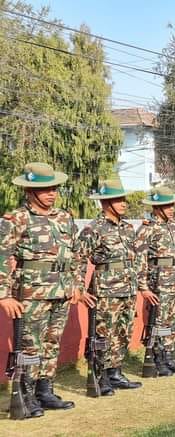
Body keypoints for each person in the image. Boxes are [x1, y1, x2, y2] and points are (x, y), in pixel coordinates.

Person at [0, 162, 85, 416]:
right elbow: (1, 255)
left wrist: (76, 284)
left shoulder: (64, 218)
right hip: (31, 293)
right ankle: (25, 395)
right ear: (30, 191)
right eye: (45, 189)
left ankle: (44, 391)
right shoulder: (15, 219)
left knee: (52, 343)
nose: (52, 193)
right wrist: (3, 294)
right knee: (30, 346)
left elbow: (76, 255)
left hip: (60, 291)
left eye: (54, 188)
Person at [75, 179, 142, 394]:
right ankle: (99, 375)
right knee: (104, 333)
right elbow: (79, 258)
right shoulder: (93, 229)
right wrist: (80, 288)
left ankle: (115, 371)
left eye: (123, 198)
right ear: (105, 203)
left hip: (128, 288)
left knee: (123, 331)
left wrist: (138, 285)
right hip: (106, 289)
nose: (123, 203)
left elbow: (135, 258)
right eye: (117, 199)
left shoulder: (128, 228)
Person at [135, 186, 175, 375]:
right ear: (156, 208)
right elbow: (139, 259)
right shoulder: (147, 229)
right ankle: (156, 357)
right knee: (159, 320)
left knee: (173, 319)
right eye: (167, 206)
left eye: (172, 205)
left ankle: (168, 355)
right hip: (158, 281)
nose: (171, 208)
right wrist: (143, 287)